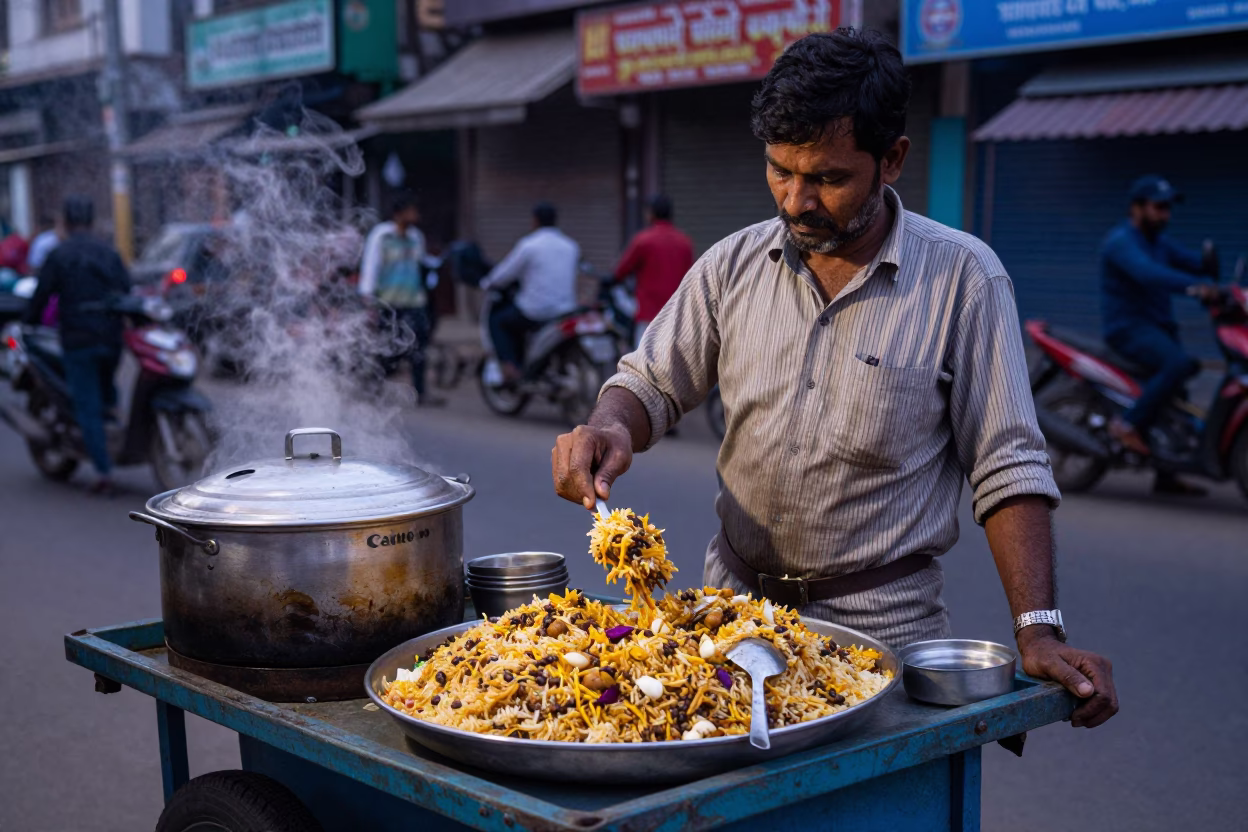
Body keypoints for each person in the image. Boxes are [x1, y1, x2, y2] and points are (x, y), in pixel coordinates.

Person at [552, 29, 1117, 729]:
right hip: (732, 628)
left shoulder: (965, 280)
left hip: (883, 642)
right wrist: (608, 425)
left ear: (893, 160)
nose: (795, 201)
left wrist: (1038, 629)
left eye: (826, 177)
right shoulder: (732, 266)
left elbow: (1009, 466)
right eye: (779, 171)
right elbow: (650, 382)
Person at [1100, 175, 1220, 490]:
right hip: (1129, 329)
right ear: (1137, 207)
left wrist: (1216, 274)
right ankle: (1126, 424)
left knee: (1177, 392)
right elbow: (1148, 274)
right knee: (1177, 365)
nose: (1165, 214)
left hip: (1159, 328)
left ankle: (1166, 474)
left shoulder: (1159, 242)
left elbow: (1193, 262)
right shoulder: (1121, 242)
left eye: (1168, 208)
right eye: (1159, 207)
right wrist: (1195, 288)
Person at [24, 196, 131, 495]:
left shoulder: (59, 254)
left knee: (88, 406)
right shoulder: (109, 252)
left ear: (67, 223)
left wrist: (28, 320)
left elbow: (42, 294)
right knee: (107, 395)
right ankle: (111, 438)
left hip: (78, 340)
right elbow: (126, 289)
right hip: (111, 339)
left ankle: (102, 472)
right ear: (92, 221)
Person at [359, 192, 444, 406]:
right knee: (388, 347)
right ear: (398, 214)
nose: (415, 215)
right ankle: (374, 387)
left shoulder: (416, 237)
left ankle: (420, 392)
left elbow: (421, 263)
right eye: (410, 210)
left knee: (419, 347)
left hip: (414, 300)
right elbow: (371, 266)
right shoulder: (382, 235)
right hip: (389, 302)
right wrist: (368, 298)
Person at [480, 203, 580, 383]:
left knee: (498, 321)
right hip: (566, 310)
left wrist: (488, 283)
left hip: (535, 311)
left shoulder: (529, 245)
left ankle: (510, 367)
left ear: (535, 221)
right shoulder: (571, 246)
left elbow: (505, 273)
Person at [614, 195, 695, 350]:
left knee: (643, 363)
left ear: (651, 214)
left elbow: (621, 271)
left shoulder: (643, 240)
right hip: (677, 314)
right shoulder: (685, 241)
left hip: (648, 315)